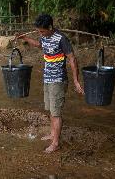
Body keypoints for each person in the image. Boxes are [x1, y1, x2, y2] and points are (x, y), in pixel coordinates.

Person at [16, 14, 84, 153]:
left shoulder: (61, 39)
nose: (40, 34)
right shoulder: (44, 36)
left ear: (50, 27)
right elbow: (40, 45)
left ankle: (56, 143)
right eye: (39, 31)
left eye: (42, 31)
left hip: (58, 80)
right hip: (47, 78)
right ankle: (53, 135)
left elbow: (72, 59)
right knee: (51, 110)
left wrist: (76, 81)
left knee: (56, 112)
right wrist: (25, 38)